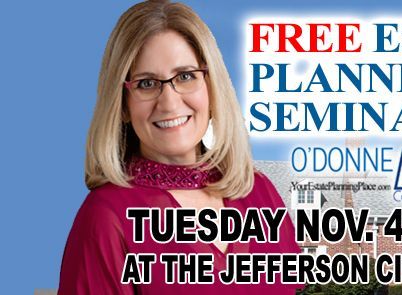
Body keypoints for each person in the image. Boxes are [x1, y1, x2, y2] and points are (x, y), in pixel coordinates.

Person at [59, 1, 301, 293]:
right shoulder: (105, 217)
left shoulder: (259, 191)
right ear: (122, 104)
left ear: (211, 86)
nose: (170, 102)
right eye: (147, 83)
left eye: (185, 76)